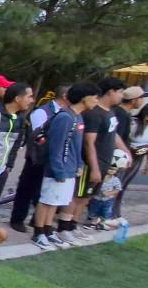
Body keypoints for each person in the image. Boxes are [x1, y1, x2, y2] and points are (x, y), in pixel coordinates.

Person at [54, 77, 132, 245]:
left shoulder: (110, 112)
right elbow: (89, 142)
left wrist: (126, 151)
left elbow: (113, 134)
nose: (121, 97)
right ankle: (63, 227)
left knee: (86, 197)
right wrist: (95, 167)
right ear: (110, 92)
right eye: (120, 93)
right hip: (90, 163)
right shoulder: (94, 113)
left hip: (104, 162)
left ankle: (73, 225)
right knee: (77, 195)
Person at [30, 83, 99, 250]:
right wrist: (58, 170)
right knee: (47, 200)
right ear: (84, 98)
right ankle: (38, 233)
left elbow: (76, 145)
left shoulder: (78, 117)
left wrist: (79, 164)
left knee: (56, 201)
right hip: (58, 169)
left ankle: (48, 230)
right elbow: (56, 146)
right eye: (95, 97)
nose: (96, 101)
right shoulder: (65, 118)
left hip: (70, 168)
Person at [9, 86, 69, 233]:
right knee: (27, 188)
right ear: (65, 95)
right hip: (37, 158)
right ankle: (17, 219)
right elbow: (38, 136)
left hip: (52, 158)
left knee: (45, 191)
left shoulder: (67, 113)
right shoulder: (42, 112)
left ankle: (38, 220)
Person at [112, 100, 148, 220]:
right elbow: (127, 143)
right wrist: (143, 150)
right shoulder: (134, 124)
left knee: (125, 183)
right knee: (118, 183)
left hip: (139, 158)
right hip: (127, 157)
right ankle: (110, 210)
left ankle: (115, 208)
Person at [86, 159, 124, 229]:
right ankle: (94, 223)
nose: (112, 171)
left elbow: (118, 189)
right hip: (96, 198)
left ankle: (103, 223)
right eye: (110, 169)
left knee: (106, 211)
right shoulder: (100, 177)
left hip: (108, 199)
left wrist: (109, 193)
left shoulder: (115, 180)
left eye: (114, 169)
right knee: (94, 210)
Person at [112, 85, 146, 149]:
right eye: (141, 98)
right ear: (133, 101)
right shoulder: (121, 115)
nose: (143, 101)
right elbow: (117, 138)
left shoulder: (125, 113)